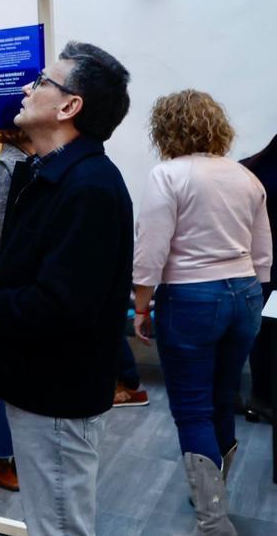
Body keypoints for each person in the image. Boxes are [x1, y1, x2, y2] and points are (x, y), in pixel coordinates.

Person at [0, 42, 133, 536]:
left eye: (44, 81)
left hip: (57, 398)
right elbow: (35, 271)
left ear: (69, 106)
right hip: (39, 390)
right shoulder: (50, 175)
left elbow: (57, 306)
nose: (27, 87)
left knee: (60, 525)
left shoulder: (89, 188)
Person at [132, 90, 271, 535]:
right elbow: (264, 252)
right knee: (221, 397)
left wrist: (140, 306)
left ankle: (213, 521)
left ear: (165, 130)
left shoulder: (167, 175)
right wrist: (249, 296)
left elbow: (150, 250)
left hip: (191, 298)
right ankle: (211, 491)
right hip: (247, 294)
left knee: (191, 410)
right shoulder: (245, 176)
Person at [0, 127, 35, 492]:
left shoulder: (30, 165)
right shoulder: (6, 171)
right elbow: (9, 235)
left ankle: (6, 452)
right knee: (2, 374)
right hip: (12, 287)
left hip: (22, 287)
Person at [242, 133, 277, 423]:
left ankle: (258, 398)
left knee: (260, 336)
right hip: (267, 269)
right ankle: (262, 399)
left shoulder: (250, 169)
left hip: (252, 270)